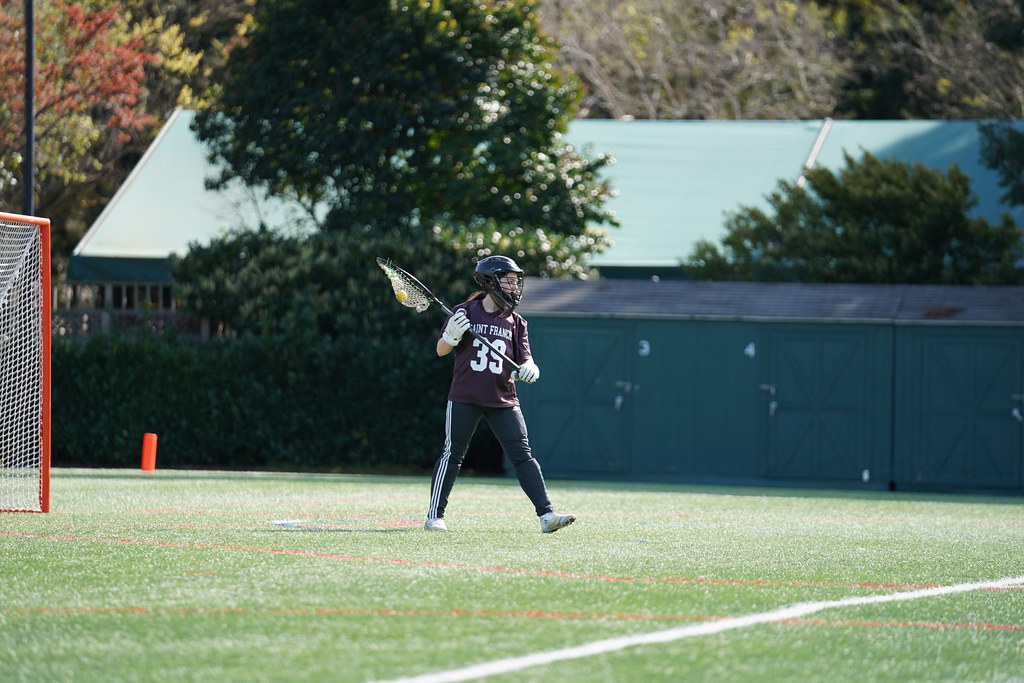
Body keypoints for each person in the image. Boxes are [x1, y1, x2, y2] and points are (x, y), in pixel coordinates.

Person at [425, 255, 576, 534]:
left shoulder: (517, 322)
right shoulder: (464, 311)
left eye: (516, 282)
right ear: (490, 281)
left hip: (503, 398)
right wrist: (451, 337)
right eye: (508, 281)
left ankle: (547, 514)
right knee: (453, 454)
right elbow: (440, 351)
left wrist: (530, 369)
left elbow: (525, 359)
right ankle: (435, 515)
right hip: (465, 396)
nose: (513, 287)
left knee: (523, 456)